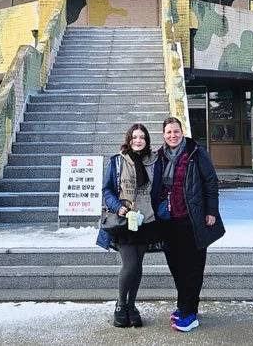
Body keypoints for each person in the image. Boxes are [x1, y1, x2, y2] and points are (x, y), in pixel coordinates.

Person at [156, 116, 225, 332]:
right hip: (168, 220)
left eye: (176, 131)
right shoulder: (159, 156)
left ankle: (190, 312)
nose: (172, 135)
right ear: (164, 135)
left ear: (182, 131)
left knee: (192, 267)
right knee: (176, 265)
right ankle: (183, 304)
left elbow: (211, 181)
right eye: (168, 132)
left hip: (192, 219)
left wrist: (211, 211)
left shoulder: (196, 152)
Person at [96, 123, 163, 328]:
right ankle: (121, 304)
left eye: (142, 137)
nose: (138, 140)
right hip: (124, 221)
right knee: (130, 265)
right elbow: (106, 189)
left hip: (146, 220)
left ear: (147, 140)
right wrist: (118, 207)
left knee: (138, 266)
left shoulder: (155, 162)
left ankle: (132, 306)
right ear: (129, 139)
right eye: (134, 137)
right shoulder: (118, 161)